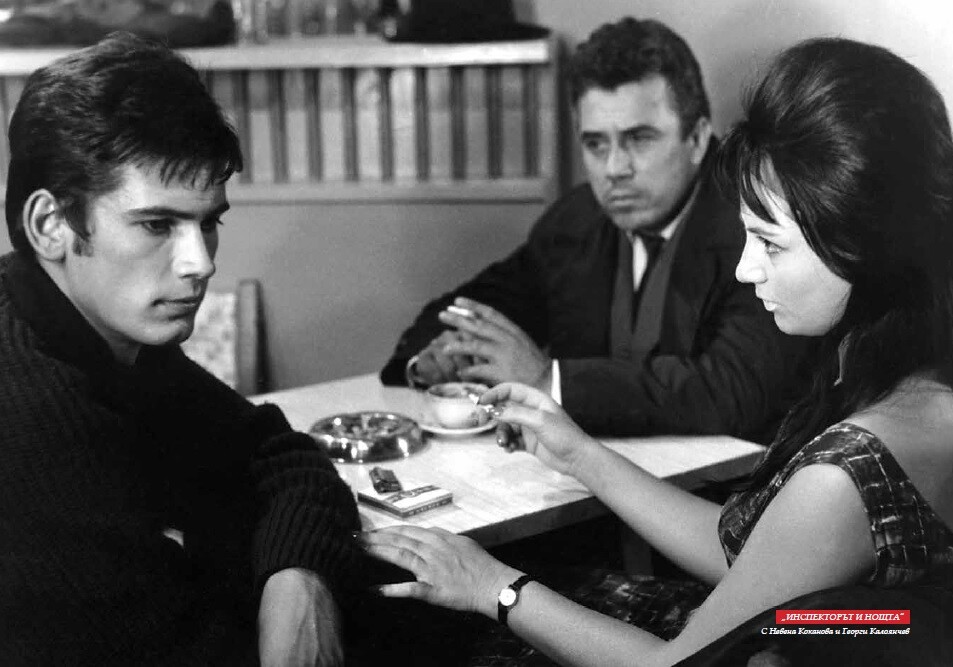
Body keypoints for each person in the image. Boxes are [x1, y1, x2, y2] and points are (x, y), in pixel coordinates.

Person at [360, 37, 953, 666]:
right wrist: (581, 455)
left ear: (864, 243)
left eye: (771, 244)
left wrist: (492, 587)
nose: (747, 269)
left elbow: (673, 666)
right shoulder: (916, 393)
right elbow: (753, 555)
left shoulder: (847, 473)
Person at [0, 33, 366, 665]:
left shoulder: (102, 332)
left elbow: (278, 454)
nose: (200, 264)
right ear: (49, 225)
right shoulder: (31, 409)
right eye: (156, 224)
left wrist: (300, 581)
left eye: (209, 222)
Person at [380, 17, 813, 442]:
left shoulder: (759, 224)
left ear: (698, 139)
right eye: (595, 144)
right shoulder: (577, 218)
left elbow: (731, 390)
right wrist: (439, 357)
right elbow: (481, 305)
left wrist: (549, 381)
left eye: (639, 139)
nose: (614, 169)